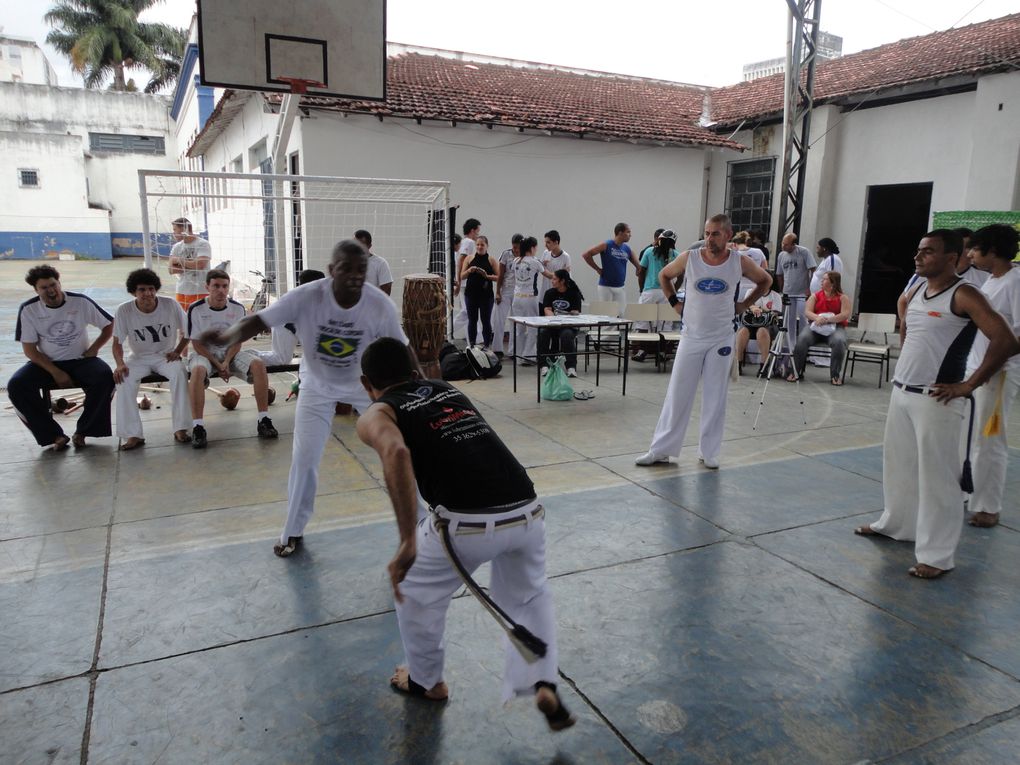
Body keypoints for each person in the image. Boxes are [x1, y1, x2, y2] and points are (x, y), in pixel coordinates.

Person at [355, 337, 575, 730]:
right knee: (528, 596)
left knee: (416, 592)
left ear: (365, 383)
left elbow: (397, 454)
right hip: (528, 510)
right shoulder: (446, 388)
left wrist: (407, 540)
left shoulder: (377, 412)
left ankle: (427, 682)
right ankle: (542, 681)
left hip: (466, 523)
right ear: (415, 371)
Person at [204, 239, 413, 557]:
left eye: (362, 270)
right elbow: (257, 320)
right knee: (305, 460)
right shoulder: (306, 297)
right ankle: (293, 530)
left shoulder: (378, 305)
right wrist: (224, 337)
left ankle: (420, 525)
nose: (356, 276)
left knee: (402, 450)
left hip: (364, 386)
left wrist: (426, 389)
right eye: (347, 269)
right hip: (316, 386)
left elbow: (403, 349)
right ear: (331, 271)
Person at [855, 229, 1019, 579]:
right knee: (898, 465)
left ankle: (938, 555)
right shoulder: (916, 289)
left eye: (928, 252)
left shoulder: (965, 294)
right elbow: (910, 325)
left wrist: (969, 384)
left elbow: (1005, 339)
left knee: (939, 479)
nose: (919, 256)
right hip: (902, 391)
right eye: (918, 250)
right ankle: (896, 524)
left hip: (937, 398)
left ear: (951, 258)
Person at [636, 214, 772, 468]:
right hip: (691, 336)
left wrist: (744, 304)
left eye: (715, 234)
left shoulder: (738, 262)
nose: (709, 239)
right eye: (707, 233)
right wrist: (676, 303)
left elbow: (766, 280)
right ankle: (661, 449)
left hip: (721, 337)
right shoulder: (691, 258)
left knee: (715, 395)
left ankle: (708, 452)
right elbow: (665, 276)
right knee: (678, 393)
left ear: (728, 235)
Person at [9, 265, 115, 450]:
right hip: (47, 363)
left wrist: (94, 349)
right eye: (44, 287)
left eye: (53, 284)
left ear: (59, 283)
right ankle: (53, 435)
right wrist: (55, 371)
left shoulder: (80, 302)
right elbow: (30, 350)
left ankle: (84, 431)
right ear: (36, 290)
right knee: (17, 385)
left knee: (105, 377)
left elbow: (109, 325)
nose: (51, 290)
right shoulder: (29, 309)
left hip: (81, 360)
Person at [963, 224, 1020, 529]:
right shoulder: (990, 282)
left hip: (998, 374)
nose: (970, 254)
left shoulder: (1015, 282)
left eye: (975, 248)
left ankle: (989, 506)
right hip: (977, 369)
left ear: (993, 251)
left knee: (990, 440)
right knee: (971, 437)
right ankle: (971, 493)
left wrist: (989, 370)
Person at [186, 269, 278, 449]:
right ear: (207, 287)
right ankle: (198, 426)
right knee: (197, 370)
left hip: (231, 354)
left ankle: (263, 420)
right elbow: (197, 344)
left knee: (258, 364)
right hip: (205, 354)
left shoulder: (237, 308)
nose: (221, 290)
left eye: (224, 286)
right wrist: (217, 363)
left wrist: (226, 361)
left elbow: (238, 341)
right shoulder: (195, 309)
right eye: (216, 286)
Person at [112, 268, 190, 450]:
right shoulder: (124, 310)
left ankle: (181, 428)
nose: (147, 293)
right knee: (123, 379)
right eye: (142, 290)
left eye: (151, 288)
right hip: (138, 358)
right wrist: (120, 364)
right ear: (133, 292)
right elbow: (116, 343)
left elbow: (188, 332)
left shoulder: (170, 304)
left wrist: (178, 351)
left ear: (156, 289)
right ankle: (133, 434)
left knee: (179, 373)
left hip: (166, 356)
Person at [789, 271, 852, 385]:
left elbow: (845, 314)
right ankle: (795, 371)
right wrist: (817, 318)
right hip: (816, 327)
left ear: (833, 283)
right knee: (802, 339)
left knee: (839, 341)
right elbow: (807, 312)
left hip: (835, 327)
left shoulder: (843, 298)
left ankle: (835, 375)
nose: (821, 281)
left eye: (825, 279)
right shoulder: (815, 296)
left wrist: (827, 320)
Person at [257, 269, 327, 366]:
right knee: (281, 359)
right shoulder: (304, 297)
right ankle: (248, 357)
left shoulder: (313, 296)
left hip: (289, 326)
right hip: (284, 326)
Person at [632, 230, 679, 361]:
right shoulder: (676, 254)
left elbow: (641, 272)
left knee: (644, 322)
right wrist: (675, 288)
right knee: (665, 323)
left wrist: (641, 288)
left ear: (659, 239)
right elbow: (681, 274)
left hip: (649, 291)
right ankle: (662, 352)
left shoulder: (649, 251)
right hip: (667, 293)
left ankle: (642, 351)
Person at [581, 222, 640, 314]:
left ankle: (618, 328)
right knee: (607, 314)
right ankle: (606, 328)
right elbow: (586, 255)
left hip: (620, 286)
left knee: (621, 313)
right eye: (628, 232)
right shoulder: (607, 244)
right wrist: (597, 268)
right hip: (606, 286)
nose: (630, 235)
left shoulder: (627, 249)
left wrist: (639, 270)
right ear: (620, 233)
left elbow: (639, 266)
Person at [538, 269, 584, 377]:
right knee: (543, 332)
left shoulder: (574, 293)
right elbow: (547, 309)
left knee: (566, 335)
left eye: (554, 279)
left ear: (562, 281)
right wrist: (555, 319)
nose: (552, 281)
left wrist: (564, 317)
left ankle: (571, 367)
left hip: (568, 325)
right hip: (553, 324)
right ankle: (544, 365)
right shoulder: (549, 293)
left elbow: (576, 312)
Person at [735, 273, 782, 375]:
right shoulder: (750, 292)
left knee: (762, 331)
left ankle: (764, 365)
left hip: (769, 325)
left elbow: (776, 314)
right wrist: (752, 307)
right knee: (743, 331)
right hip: (751, 323)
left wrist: (761, 309)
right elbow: (746, 305)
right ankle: (737, 363)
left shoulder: (776, 296)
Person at [508, 236, 545, 363]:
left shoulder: (516, 260)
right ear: (532, 248)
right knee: (533, 327)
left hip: (517, 298)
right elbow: (548, 274)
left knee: (519, 328)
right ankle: (529, 356)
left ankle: (518, 356)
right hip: (530, 298)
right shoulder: (535, 261)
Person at [460, 235, 500, 348]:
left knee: (486, 321)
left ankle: (487, 345)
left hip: (486, 296)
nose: (480, 247)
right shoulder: (469, 258)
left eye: (482, 245)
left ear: (487, 246)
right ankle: (472, 344)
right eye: (478, 244)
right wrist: (469, 270)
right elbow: (462, 276)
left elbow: (499, 277)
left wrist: (486, 276)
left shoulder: (491, 260)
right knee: (472, 320)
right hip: (471, 294)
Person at [776, 233, 817, 340]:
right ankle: (791, 343)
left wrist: (810, 288)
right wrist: (782, 289)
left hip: (802, 292)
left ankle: (803, 341)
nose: (783, 246)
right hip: (788, 292)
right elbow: (779, 274)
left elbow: (813, 269)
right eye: (783, 243)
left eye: (786, 244)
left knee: (804, 317)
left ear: (794, 244)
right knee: (789, 319)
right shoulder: (781, 255)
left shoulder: (804, 252)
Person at [168, 217, 212, 313]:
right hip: (181, 290)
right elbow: (171, 269)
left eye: (175, 230)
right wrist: (192, 263)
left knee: (200, 319)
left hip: (200, 290)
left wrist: (179, 261)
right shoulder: (177, 247)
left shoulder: (203, 244)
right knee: (183, 320)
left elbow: (200, 265)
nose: (173, 233)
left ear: (184, 229)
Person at [492, 234, 523, 356]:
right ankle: (497, 349)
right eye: (514, 247)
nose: (516, 250)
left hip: (519, 292)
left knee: (515, 321)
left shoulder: (525, 256)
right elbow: (500, 275)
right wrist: (498, 292)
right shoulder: (506, 254)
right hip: (506, 290)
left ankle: (513, 351)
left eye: (518, 247)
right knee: (499, 320)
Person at [452, 218, 481, 340]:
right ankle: (447, 330)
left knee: (471, 313)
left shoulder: (465, 242)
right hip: (466, 283)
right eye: (478, 231)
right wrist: (459, 282)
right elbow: (461, 260)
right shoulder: (469, 242)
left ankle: (474, 341)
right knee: (468, 311)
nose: (478, 234)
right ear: (473, 230)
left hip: (466, 282)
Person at [354, 229, 394, 296]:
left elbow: (386, 290)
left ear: (369, 246)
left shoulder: (380, 263)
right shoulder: (347, 262)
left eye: (361, 245)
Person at [540, 230, 571, 296]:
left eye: (548, 242)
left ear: (556, 242)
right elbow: (540, 269)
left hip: (557, 296)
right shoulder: (545, 253)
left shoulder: (565, 257)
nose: (545, 245)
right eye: (545, 242)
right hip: (544, 294)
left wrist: (543, 269)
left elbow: (564, 277)